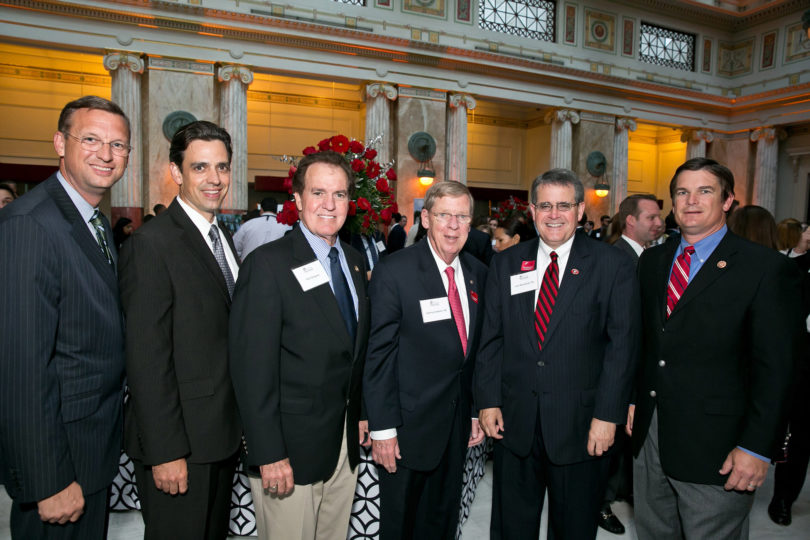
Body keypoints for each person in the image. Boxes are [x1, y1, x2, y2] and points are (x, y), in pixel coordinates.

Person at [629, 157, 803, 539]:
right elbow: (646, 344)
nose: (691, 200)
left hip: (719, 449)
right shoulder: (654, 261)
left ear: (727, 201)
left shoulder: (765, 269)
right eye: (682, 192)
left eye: (704, 191)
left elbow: (778, 370)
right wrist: (632, 402)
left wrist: (758, 448)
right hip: (652, 437)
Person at [476, 168, 640, 539]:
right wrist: (487, 400)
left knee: (574, 529)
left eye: (563, 205)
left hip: (582, 426)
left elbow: (623, 347)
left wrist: (608, 416)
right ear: (532, 211)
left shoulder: (612, 265)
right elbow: (491, 338)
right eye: (545, 205)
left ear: (581, 210)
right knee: (511, 527)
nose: (554, 214)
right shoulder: (506, 262)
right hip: (514, 423)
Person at [0, 95, 130, 538]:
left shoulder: (91, 220)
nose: (107, 154)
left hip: (90, 451)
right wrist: (48, 479)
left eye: (119, 145)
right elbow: (20, 368)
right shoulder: (30, 224)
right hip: (59, 464)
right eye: (91, 139)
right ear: (60, 142)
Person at [229, 150, 371, 540]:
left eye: (340, 195)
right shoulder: (267, 265)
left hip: (342, 446)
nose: (329, 204)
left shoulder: (355, 263)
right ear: (297, 198)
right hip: (288, 449)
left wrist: (359, 413)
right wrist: (268, 452)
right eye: (319, 192)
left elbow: (352, 350)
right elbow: (251, 369)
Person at [119, 121, 241, 540]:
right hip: (181, 445)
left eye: (222, 168)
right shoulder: (151, 244)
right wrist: (166, 452)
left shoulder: (219, 234)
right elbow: (146, 358)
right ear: (176, 173)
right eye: (200, 167)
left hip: (220, 437)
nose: (214, 179)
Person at [364, 181, 488, 539]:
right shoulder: (395, 270)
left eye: (462, 216)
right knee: (401, 525)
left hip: (456, 428)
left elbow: (476, 353)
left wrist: (475, 410)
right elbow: (379, 354)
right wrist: (383, 429)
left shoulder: (479, 273)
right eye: (444, 215)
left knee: (441, 523)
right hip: (406, 430)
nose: (453, 225)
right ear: (426, 219)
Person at [613, 194, 663, 261]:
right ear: (631, 220)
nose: (659, 223)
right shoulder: (616, 258)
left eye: (659, 217)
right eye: (651, 217)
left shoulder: (649, 254)